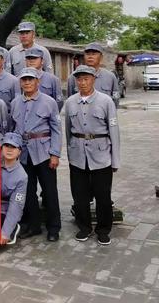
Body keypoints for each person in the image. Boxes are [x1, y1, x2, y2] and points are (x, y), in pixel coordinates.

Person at [64, 65, 120, 245]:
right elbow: (67, 131)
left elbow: (114, 130)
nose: (82, 82)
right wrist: (70, 154)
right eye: (79, 79)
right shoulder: (70, 102)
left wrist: (115, 159)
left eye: (86, 78)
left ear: (93, 79)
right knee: (79, 195)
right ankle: (84, 227)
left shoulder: (106, 101)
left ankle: (103, 229)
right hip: (78, 155)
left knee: (103, 195)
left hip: (101, 154)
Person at [10, 67, 62, 242]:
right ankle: (34, 226)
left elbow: (56, 130)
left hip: (44, 152)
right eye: (24, 80)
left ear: (37, 82)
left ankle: (54, 227)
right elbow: (13, 129)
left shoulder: (49, 102)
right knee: (28, 191)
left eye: (30, 79)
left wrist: (55, 153)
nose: (27, 82)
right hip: (24, 153)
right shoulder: (15, 103)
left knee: (49, 192)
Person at [67, 43, 120, 108]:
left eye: (94, 54)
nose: (90, 57)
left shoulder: (110, 77)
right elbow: (71, 100)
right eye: (87, 54)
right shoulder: (73, 77)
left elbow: (115, 99)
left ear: (101, 57)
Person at [0, 132, 28, 245]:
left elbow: (16, 206)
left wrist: (5, 232)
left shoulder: (22, 176)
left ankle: (13, 227)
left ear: (19, 151)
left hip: (5, 211)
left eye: (13, 147)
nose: (9, 150)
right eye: (6, 146)